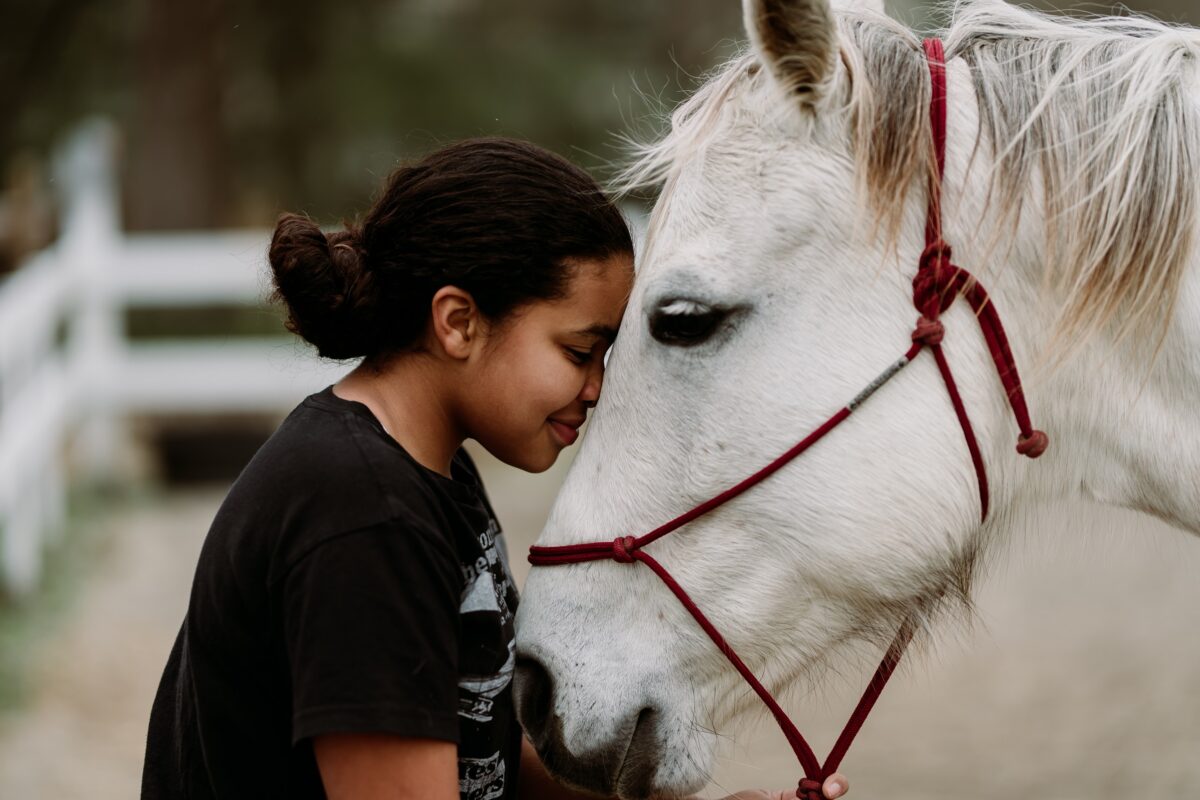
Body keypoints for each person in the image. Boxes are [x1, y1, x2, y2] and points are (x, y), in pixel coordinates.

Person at [141, 138, 849, 800]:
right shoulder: (360, 515)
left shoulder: (432, 474)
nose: (599, 388)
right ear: (457, 323)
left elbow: (488, 751)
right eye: (579, 352)